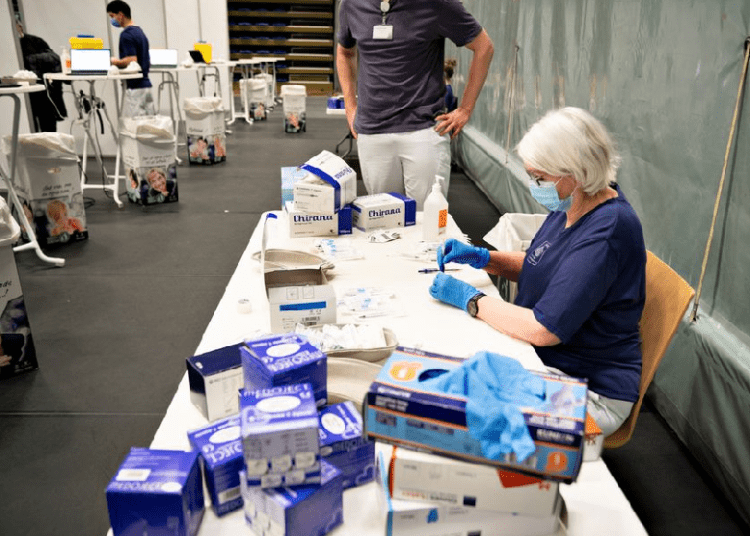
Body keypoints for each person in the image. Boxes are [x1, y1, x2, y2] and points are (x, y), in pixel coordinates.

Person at [429, 107, 646, 437]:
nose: (534, 185)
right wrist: (483, 257)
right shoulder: (574, 204)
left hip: (589, 391)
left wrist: (471, 300)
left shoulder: (606, 231)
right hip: (549, 362)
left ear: (575, 171)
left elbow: (545, 329)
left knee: (458, 416)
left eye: (540, 178)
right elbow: (542, 265)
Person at [337, 0, 494, 209]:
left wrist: (465, 109)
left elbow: (484, 47)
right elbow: (345, 52)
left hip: (424, 130)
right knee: (385, 220)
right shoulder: (351, 4)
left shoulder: (437, 4)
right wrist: (350, 106)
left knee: (428, 221)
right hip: (372, 132)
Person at [15, 20, 67, 132]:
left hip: (44, 92)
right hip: (28, 92)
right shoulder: (12, 46)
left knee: (48, 127)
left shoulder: (35, 41)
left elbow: (55, 59)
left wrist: (31, 61)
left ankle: (49, 148)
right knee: (29, 128)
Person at [106, 0, 154, 117]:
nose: (112, 20)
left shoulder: (126, 35)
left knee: (137, 125)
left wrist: (113, 61)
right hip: (146, 85)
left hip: (135, 87)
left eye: (112, 16)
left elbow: (132, 61)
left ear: (120, 15)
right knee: (149, 124)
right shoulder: (139, 32)